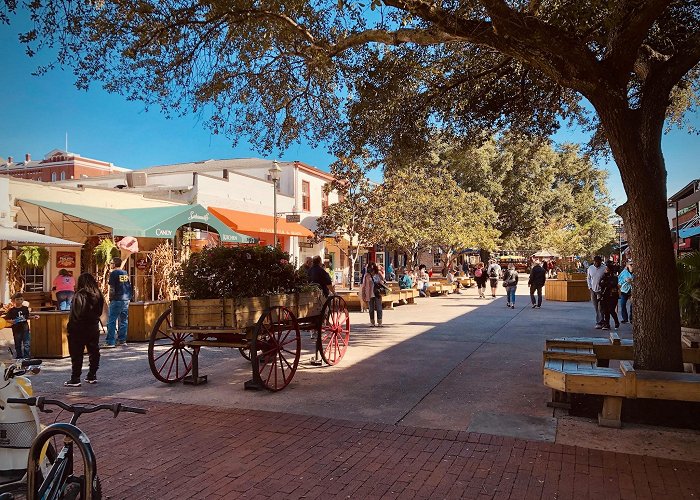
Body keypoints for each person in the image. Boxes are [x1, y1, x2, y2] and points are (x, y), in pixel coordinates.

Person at [65, 273, 106, 386]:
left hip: (78, 327)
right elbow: (100, 311)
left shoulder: (80, 295)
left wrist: (71, 326)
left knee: (76, 353)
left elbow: (77, 313)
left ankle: (75, 378)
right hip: (93, 326)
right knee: (94, 351)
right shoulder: (98, 294)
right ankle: (92, 375)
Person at [104, 257, 132, 348]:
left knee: (111, 320)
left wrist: (110, 298)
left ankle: (110, 341)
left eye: (111, 263)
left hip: (117, 299)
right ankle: (122, 340)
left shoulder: (113, 273)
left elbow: (112, 287)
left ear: (115, 264)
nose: (110, 264)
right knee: (123, 320)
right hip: (126, 298)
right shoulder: (125, 273)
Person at [3, 293, 39, 359]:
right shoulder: (11, 310)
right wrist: (11, 321)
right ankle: (19, 356)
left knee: (26, 343)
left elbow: (27, 317)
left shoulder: (25, 309)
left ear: (23, 300)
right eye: (17, 299)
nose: (19, 301)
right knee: (17, 343)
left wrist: (34, 317)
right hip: (16, 329)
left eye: (21, 299)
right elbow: (6, 319)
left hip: (25, 328)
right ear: (13, 301)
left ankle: (26, 356)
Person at [360, 262, 385, 327]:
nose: (371, 270)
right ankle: (372, 322)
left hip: (377, 293)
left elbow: (384, 281)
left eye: (372, 268)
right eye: (370, 268)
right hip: (369, 294)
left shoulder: (378, 274)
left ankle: (380, 322)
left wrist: (380, 281)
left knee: (379, 308)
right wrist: (363, 295)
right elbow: (364, 286)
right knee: (371, 309)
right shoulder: (366, 276)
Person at [586, 255, 607, 328]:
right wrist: (590, 287)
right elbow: (588, 278)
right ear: (594, 262)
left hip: (601, 291)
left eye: (599, 262)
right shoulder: (590, 268)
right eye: (596, 262)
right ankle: (600, 321)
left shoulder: (604, 268)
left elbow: (607, 278)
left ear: (601, 262)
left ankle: (600, 322)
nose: (597, 263)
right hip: (593, 290)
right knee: (596, 307)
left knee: (600, 307)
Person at [599, 261, 620, 330]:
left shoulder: (614, 277)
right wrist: (605, 282)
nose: (605, 271)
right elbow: (601, 283)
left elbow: (612, 284)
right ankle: (607, 324)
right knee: (605, 310)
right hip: (605, 295)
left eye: (607, 269)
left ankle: (616, 322)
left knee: (611, 310)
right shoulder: (604, 276)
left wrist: (607, 283)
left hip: (613, 295)